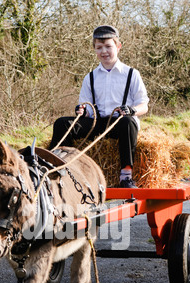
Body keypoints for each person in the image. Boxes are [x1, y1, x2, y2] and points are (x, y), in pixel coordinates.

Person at [49, 25, 149, 188]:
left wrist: (132, 110)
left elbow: (144, 105)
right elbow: (86, 108)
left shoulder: (131, 74)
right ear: (94, 50)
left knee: (129, 122)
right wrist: (81, 111)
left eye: (108, 46)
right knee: (62, 123)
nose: (104, 51)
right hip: (98, 123)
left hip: (120, 124)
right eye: (99, 47)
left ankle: (126, 175)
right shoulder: (90, 77)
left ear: (118, 46)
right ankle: (57, 167)